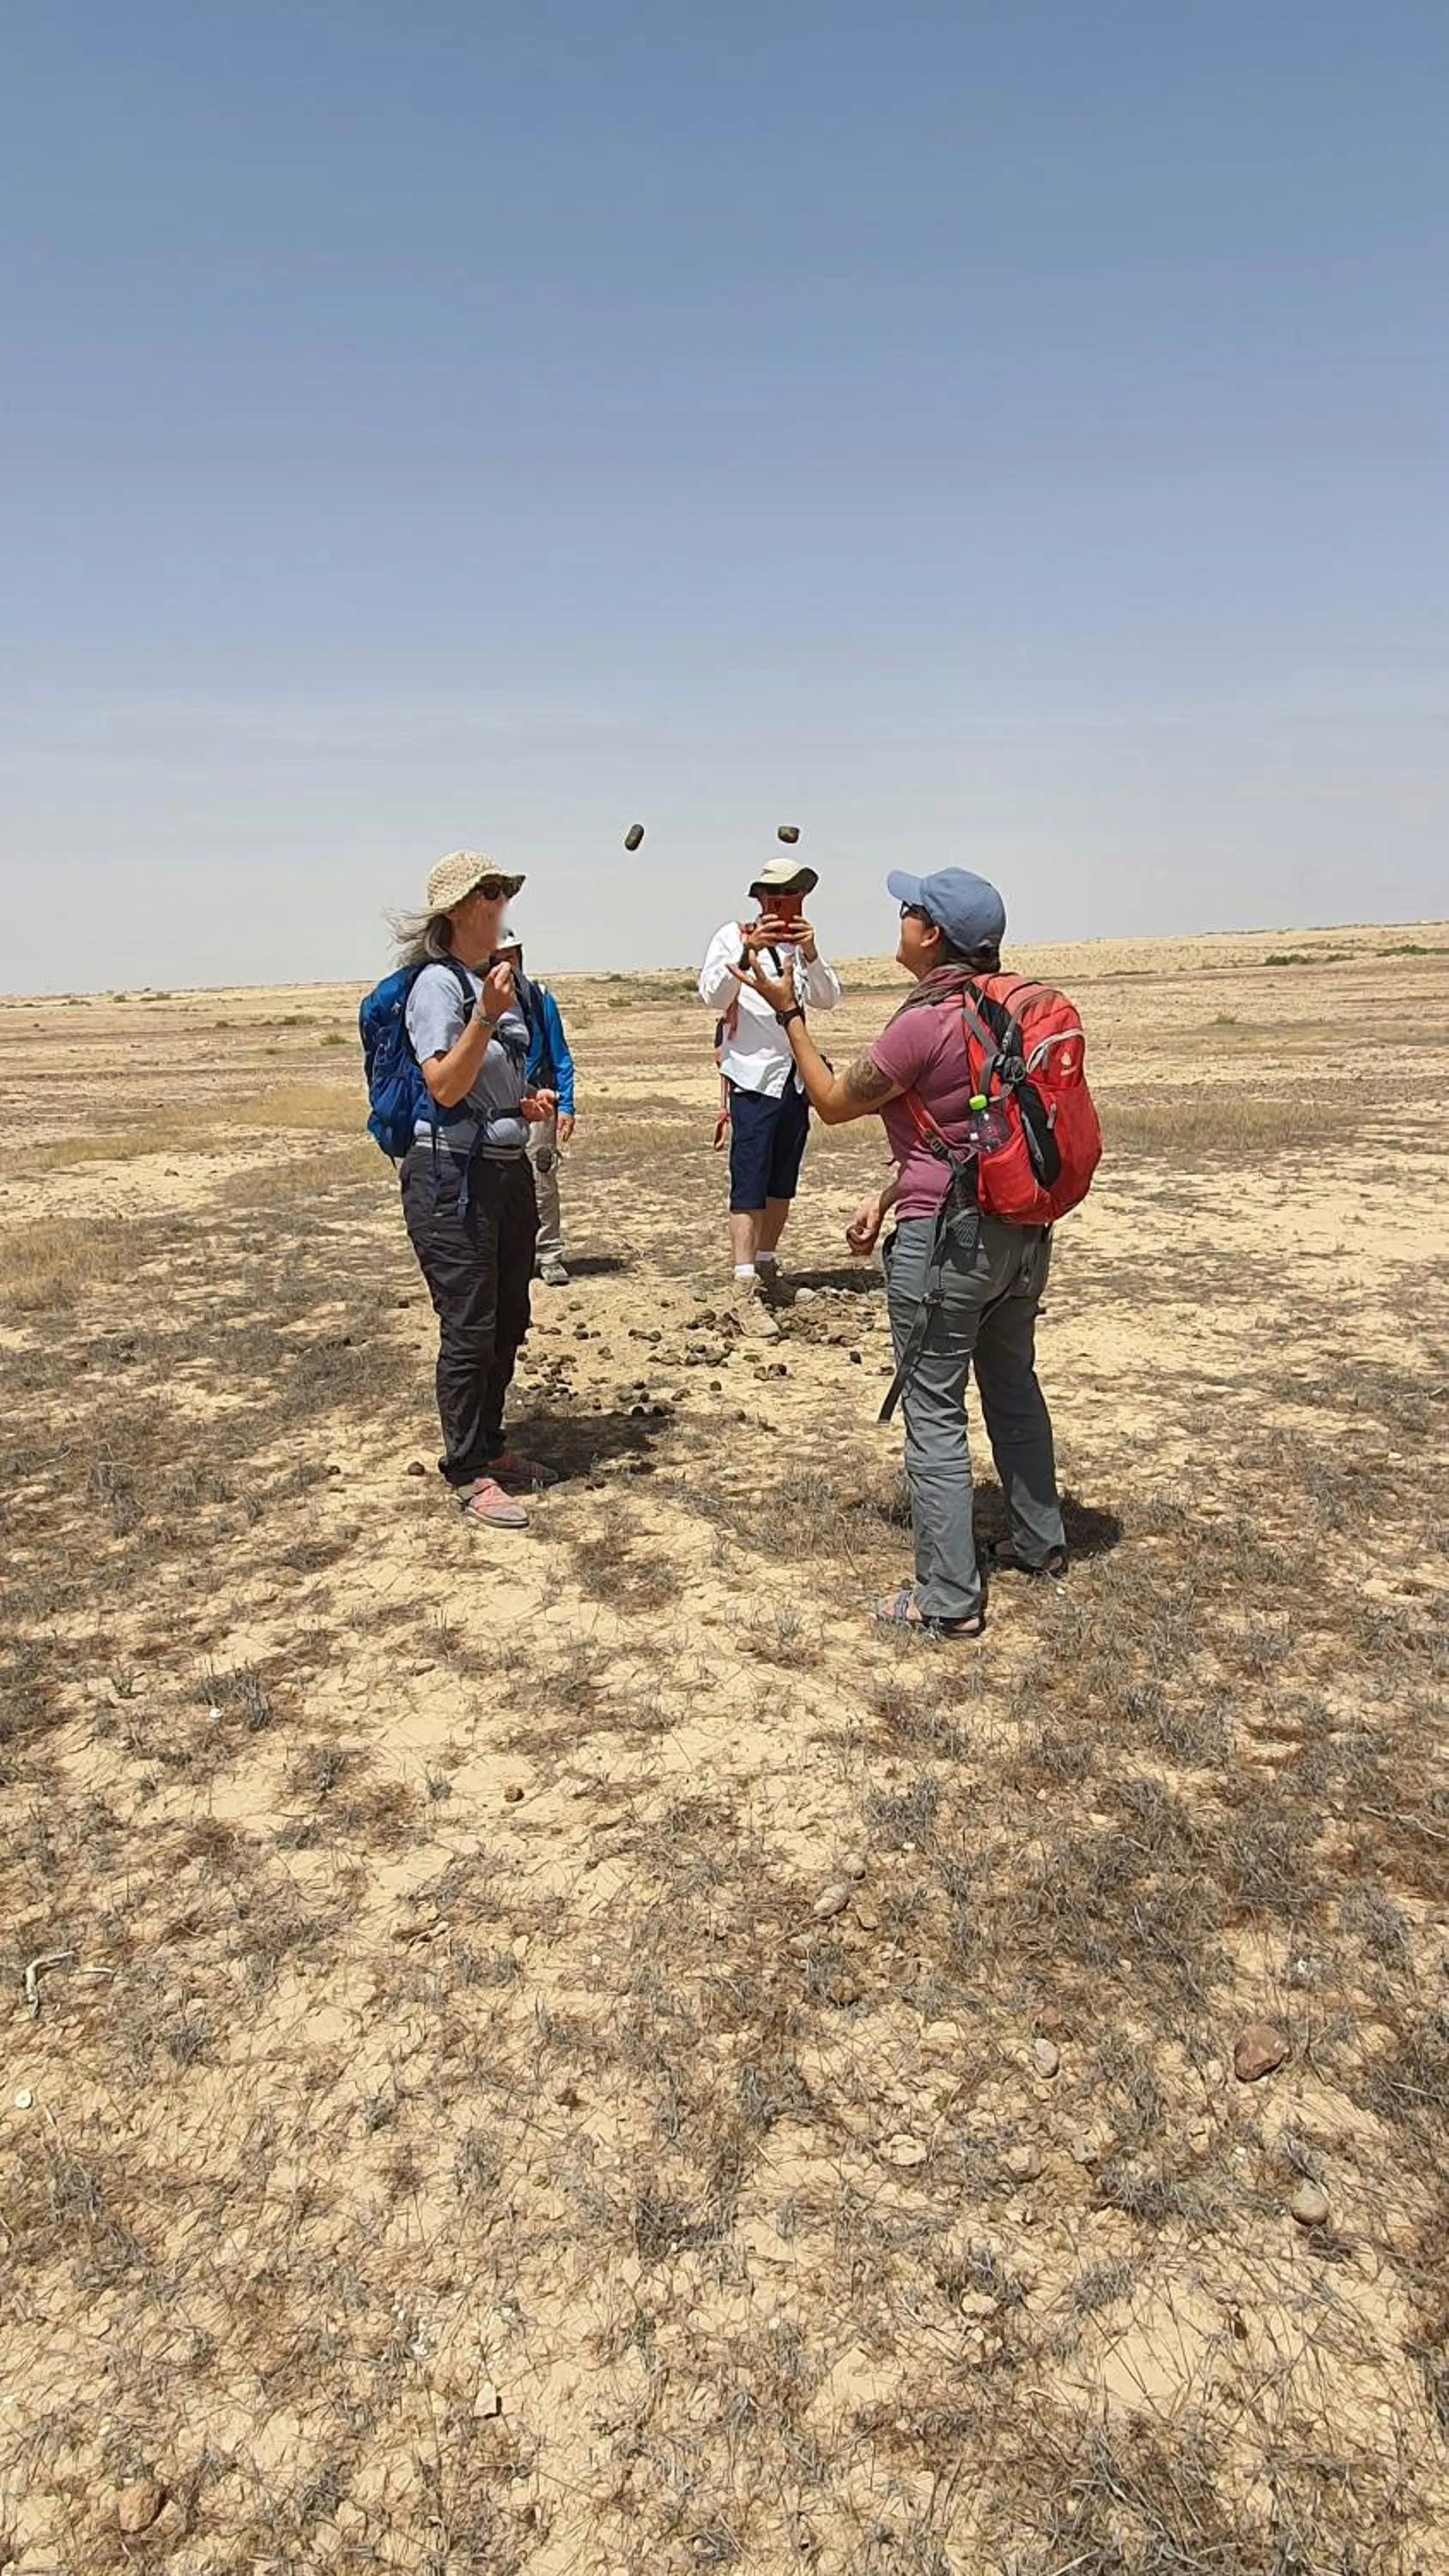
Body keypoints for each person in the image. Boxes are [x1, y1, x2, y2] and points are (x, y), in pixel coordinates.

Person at [734, 866, 1066, 1637]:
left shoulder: (927, 1021)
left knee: (934, 1412)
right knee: (1013, 1387)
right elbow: (972, 1129)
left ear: (934, 936)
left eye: (910, 910)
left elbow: (833, 1101)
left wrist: (789, 1015)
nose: (902, 919)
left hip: (949, 1243)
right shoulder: (1009, 1006)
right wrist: (886, 1198)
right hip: (1021, 1233)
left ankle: (947, 1600)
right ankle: (1038, 1541)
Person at [392, 850, 560, 1529]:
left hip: (502, 1166)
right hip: (448, 1178)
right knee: (469, 1325)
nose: (503, 904)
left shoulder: (497, 982)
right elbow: (444, 1085)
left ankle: (491, 1446)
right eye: (492, 893)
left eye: (503, 891)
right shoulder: (438, 986)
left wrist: (522, 1104)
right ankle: (466, 1468)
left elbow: (487, 1087)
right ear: (460, 910)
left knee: (509, 1315)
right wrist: (484, 1016)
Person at [697, 856, 841, 1297]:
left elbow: (828, 999)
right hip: (754, 1080)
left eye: (794, 898)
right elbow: (712, 995)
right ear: (760, 899)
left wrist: (812, 954)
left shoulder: (801, 947)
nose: (785, 908)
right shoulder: (732, 936)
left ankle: (766, 1266)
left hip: (795, 1080)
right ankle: (743, 1282)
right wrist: (750, 951)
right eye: (777, 899)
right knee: (749, 1181)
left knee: (782, 1180)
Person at [494, 918, 577, 1288]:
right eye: (498, 957)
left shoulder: (539, 997)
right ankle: (509, 1257)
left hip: (539, 1101)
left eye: (511, 956)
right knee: (497, 1182)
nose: (505, 965)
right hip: (494, 1103)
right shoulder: (474, 1000)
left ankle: (549, 1255)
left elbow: (560, 1055)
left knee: (542, 1177)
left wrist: (568, 1106)